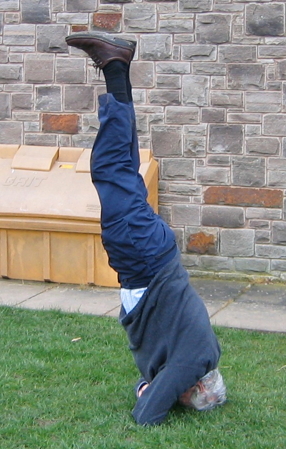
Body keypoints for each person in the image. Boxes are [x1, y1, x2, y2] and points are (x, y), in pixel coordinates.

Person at [65, 32, 227, 426]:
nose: (178, 394)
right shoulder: (192, 363)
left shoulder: (201, 355)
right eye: (184, 399)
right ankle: (115, 63)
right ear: (198, 389)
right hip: (143, 254)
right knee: (110, 166)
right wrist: (153, 395)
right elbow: (146, 413)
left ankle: (116, 66)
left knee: (120, 162)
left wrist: (149, 384)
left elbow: (152, 379)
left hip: (147, 255)